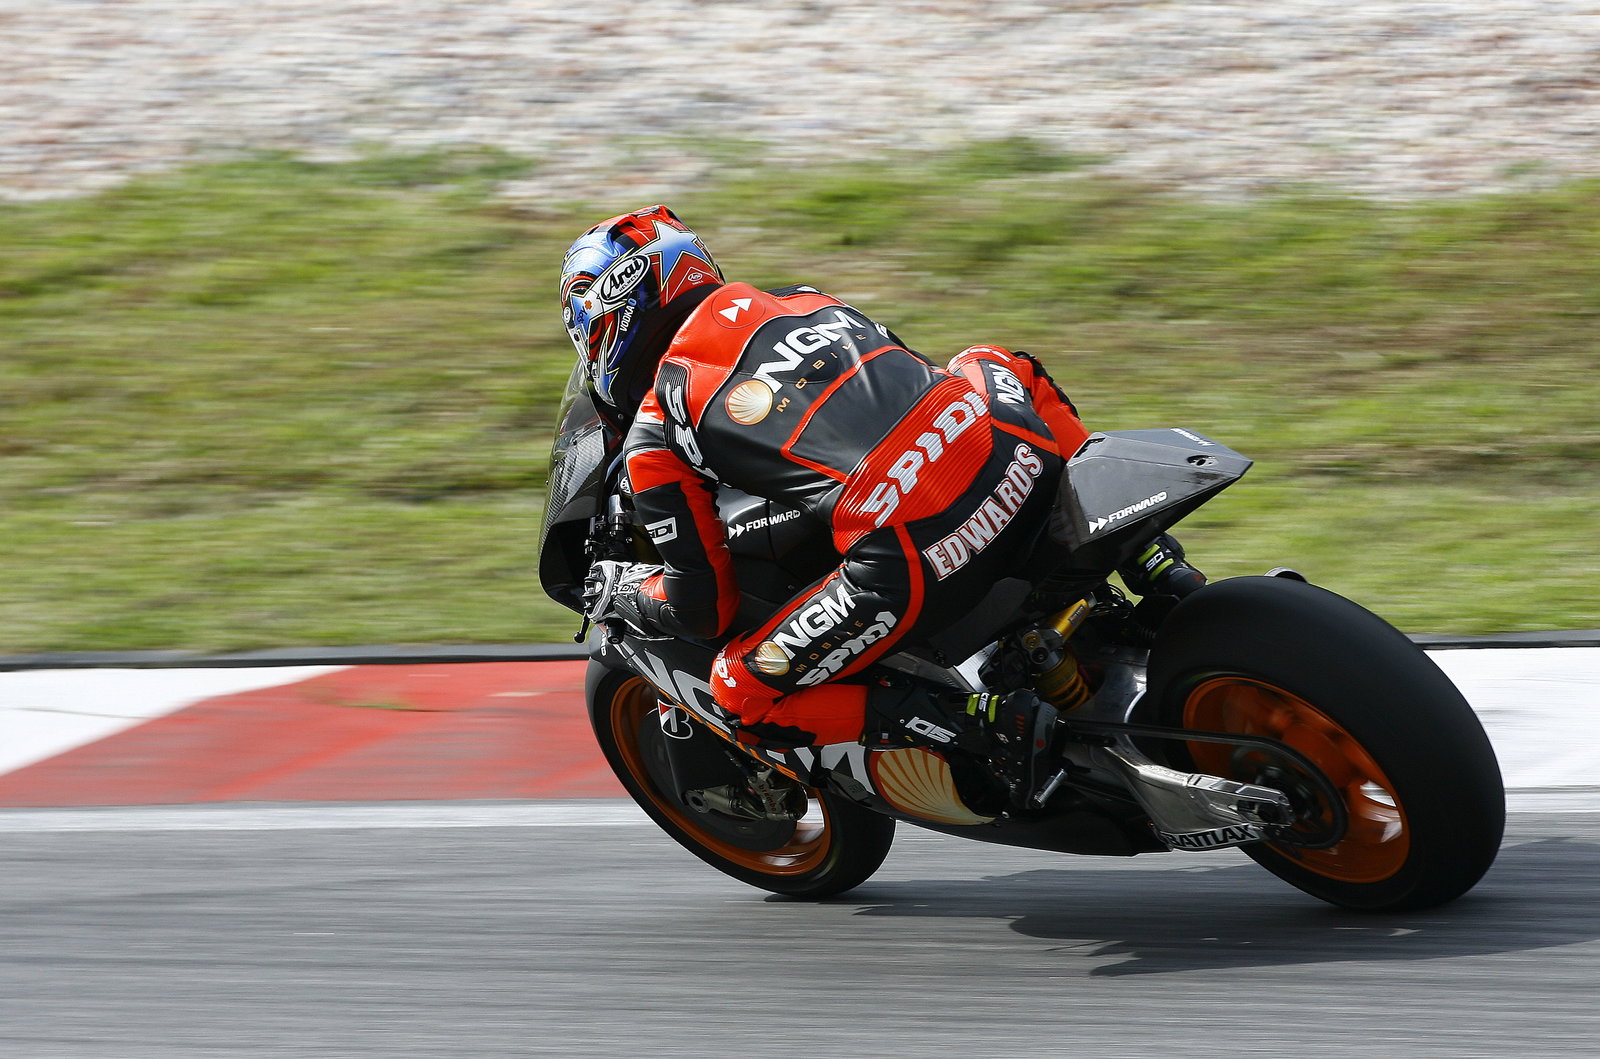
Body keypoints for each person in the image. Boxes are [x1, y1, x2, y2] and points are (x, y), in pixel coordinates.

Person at [564, 205, 1092, 810]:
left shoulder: (658, 423)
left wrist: (622, 590)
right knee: (992, 358)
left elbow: (704, 607)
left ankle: (984, 725)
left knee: (739, 689)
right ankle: (1132, 543)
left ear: (610, 314)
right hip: (1020, 454)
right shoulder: (802, 298)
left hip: (924, 550)